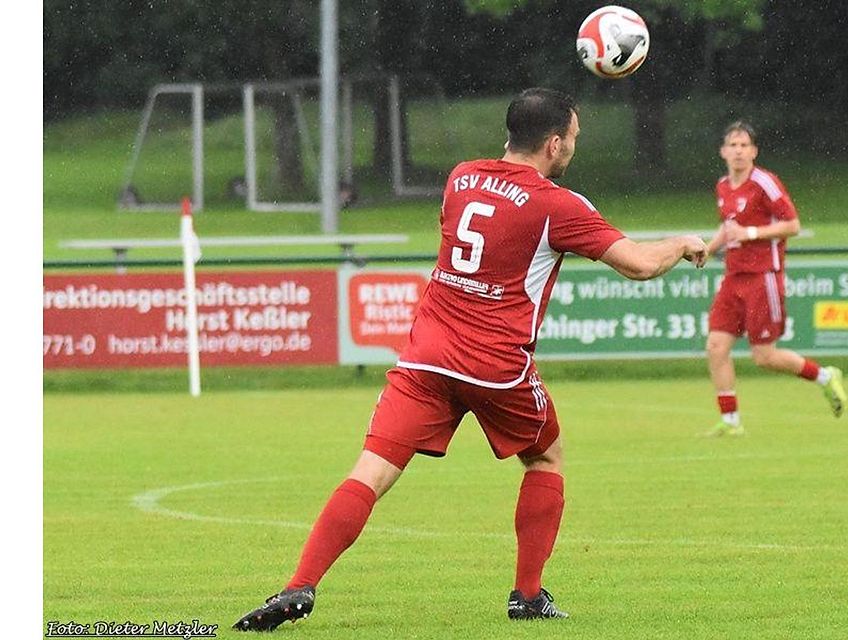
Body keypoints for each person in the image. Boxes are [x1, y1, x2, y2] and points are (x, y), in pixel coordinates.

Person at [233, 87, 707, 632]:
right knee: (546, 458)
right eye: (573, 138)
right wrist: (682, 242)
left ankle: (301, 585)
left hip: (426, 359)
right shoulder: (559, 204)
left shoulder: (461, 178)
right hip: (495, 366)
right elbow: (640, 265)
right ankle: (527, 597)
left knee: (371, 471)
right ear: (554, 144)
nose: (573, 146)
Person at [703, 121, 847, 437]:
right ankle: (731, 422)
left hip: (762, 276)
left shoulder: (765, 183)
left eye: (744, 145)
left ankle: (824, 375)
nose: (739, 150)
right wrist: (708, 249)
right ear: (723, 151)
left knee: (764, 356)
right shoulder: (723, 186)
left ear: (754, 151)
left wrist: (752, 232)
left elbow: (792, 224)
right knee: (715, 346)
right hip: (733, 277)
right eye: (733, 145)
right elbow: (729, 227)